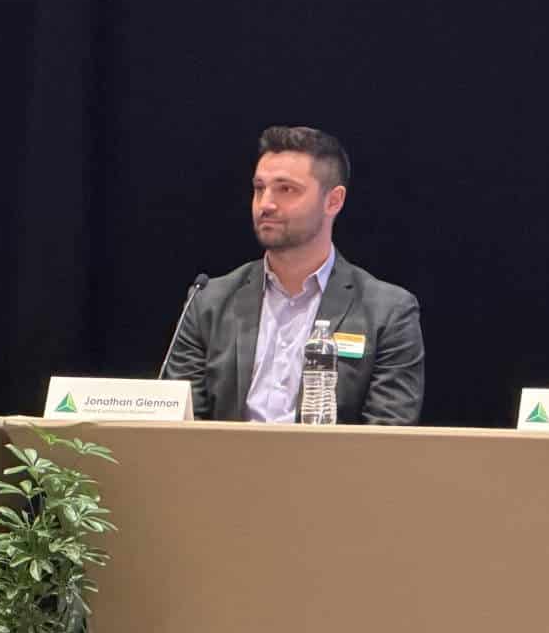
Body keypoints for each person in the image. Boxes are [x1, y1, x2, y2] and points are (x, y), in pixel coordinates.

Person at [163, 126, 424, 424]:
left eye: (286, 189)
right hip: (222, 456)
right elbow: (182, 425)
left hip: (331, 457)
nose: (266, 204)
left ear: (334, 201)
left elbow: (386, 436)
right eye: (259, 188)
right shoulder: (208, 302)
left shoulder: (387, 313)